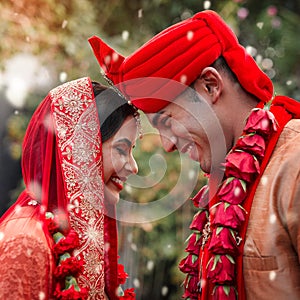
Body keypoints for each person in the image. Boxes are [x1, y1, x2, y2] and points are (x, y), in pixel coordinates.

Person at [88, 10, 300, 300]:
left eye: (166, 121)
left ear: (210, 86)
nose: (167, 145)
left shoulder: (294, 161)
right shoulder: (226, 178)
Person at [0, 77, 139, 300]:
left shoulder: (76, 233)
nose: (134, 167)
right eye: (121, 150)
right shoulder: (26, 242)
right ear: (81, 149)